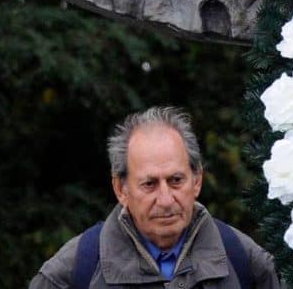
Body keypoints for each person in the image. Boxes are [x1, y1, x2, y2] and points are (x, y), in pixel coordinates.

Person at [31, 106, 280, 289]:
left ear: (197, 180)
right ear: (121, 189)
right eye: (149, 184)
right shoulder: (73, 271)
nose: (165, 199)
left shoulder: (244, 260)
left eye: (176, 181)